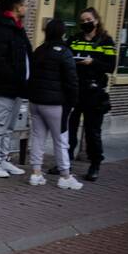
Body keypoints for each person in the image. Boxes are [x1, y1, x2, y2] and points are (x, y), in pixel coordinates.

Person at [61, 7, 116, 181]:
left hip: (94, 92)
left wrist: (93, 62)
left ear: (96, 20)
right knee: (70, 129)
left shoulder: (106, 41)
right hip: (75, 90)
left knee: (93, 131)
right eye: (82, 21)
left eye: (88, 20)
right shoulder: (74, 40)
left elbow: (110, 66)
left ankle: (94, 165)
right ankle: (65, 162)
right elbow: (65, 58)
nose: (85, 23)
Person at [27, 19, 82, 190]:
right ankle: (65, 175)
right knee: (60, 140)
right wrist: (72, 102)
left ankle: (36, 173)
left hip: (36, 101)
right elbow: (72, 80)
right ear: (62, 33)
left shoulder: (39, 50)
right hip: (55, 104)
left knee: (37, 137)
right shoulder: (65, 52)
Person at [0, 0, 31, 178]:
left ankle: (4, 159)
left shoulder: (17, 28)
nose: (26, 8)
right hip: (4, 87)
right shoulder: (2, 29)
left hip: (17, 87)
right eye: (25, 5)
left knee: (9, 127)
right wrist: (13, 78)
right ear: (16, 6)